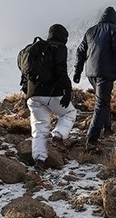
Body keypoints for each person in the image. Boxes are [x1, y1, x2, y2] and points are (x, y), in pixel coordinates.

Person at [73, 6, 116, 153]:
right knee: (101, 104)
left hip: (91, 72)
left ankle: (107, 128)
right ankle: (91, 140)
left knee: (103, 101)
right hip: (105, 72)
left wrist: (77, 71)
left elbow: (80, 52)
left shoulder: (90, 31)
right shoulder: (114, 30)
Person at [22, 24, 76, 171]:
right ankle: (58, 136)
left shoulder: (35, 48)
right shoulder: (58, 47)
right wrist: (67, 91)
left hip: (33, 95)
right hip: (52, 93)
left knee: (39, 128)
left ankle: (40, 160)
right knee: (69, 113)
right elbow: (61, 71)